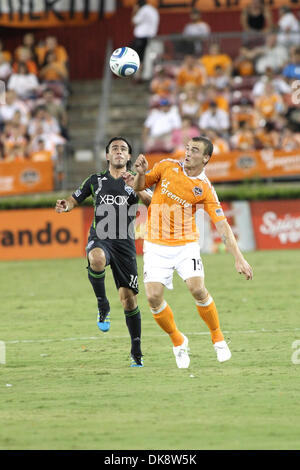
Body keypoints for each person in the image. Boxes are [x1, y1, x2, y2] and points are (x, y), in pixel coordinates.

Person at [133, 136, 253, 369]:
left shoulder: (205, 188)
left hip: (186, 244)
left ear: (206, 158)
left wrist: (239, 258)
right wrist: (140, 173)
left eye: (194, 150)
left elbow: (222, 224)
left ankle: (217, 337)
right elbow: (139, 187)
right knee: (152, 297)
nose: (187, 153)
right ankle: (178, 341)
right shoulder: (166, 166)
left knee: (197, 288)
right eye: (187, 148)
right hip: (156, 245)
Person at [55, 137, 152, 367]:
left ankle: (136, 351)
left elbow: (151, 203)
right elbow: (74, 199)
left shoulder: (136, 181)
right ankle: (102, 304)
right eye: (114, 149)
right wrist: (65, 205)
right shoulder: (95, 180)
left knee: (129, 301)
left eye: (123, 149)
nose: (119, 152)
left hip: (125, 246)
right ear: (107, 156)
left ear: (129, 157)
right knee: (95, 258)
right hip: (101, 238)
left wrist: (137, 183)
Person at [130, 0, 160, 74]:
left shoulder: (143, 10)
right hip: (152, 37)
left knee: (138, 57)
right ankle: (146, 75)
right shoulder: (153, 10)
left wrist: (134, 11)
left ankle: (138, 75)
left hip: (141, 37)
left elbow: (133, 22)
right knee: (148, 57)